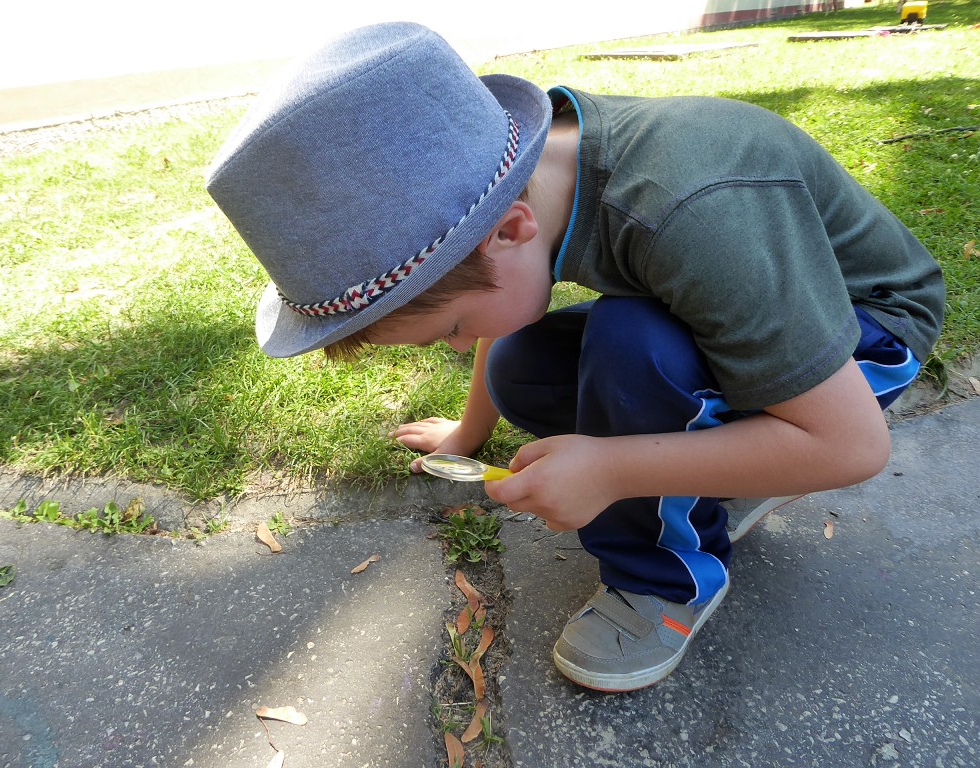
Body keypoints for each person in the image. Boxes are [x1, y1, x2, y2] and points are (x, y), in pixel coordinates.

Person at [206, 21, 944, 692]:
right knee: (519, 366)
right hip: (757, 310)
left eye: (451, 327)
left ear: (510, 228)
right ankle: (733, 463)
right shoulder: (531, 176)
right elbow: (494, 297)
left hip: (863, 336)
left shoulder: (686, 209)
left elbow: (851, 447)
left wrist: (614, 470)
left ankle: (664, 585)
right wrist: (468, 433)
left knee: (631, 344)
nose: (460, 344)